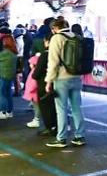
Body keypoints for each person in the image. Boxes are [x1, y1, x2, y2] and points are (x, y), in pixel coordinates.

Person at [45, 16, 86, 148]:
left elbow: (53, 62)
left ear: (55, 28)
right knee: (76, 108)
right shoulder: (76, 36)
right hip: (77, 77)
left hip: (62, 78)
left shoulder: (56, 38)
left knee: (61, 109)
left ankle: (61, 138)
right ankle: (79, 136)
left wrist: (48, 81)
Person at [31, 18, 58, 136]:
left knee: (46, 107)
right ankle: (57, 127)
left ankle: (49, 127)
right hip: (56, 82)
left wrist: (33, 68)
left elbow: (36, 74)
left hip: (44, 84)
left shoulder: (44, 55)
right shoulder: (56, 54)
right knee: (54, 107)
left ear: (47, 42)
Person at [0, 34, 19, 119]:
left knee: (1, 93)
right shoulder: (13, 52)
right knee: (8, 94)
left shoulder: (5, 53)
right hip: (11, 75)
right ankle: (9, 111)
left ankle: (3, 111)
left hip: (4, 75)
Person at [23, 52, 42, 128]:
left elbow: (33, 83)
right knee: (36, 107)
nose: (29, 65)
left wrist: (30, 90)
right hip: (33, 94)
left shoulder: (34, 72)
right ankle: (36, 119)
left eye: (31, 63)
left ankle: (36, 120)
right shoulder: (34, 71)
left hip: (34, 93)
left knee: (37, 107)